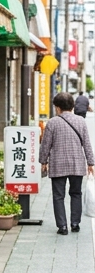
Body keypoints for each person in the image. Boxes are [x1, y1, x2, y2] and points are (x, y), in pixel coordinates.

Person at [39, 92, 95, 235]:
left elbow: (45, 145)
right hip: (77, 163)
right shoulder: (80, 121)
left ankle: (62, 226)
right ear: (72, 106)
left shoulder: (52, 122)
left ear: (57, 108)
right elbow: (87, 144)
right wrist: (91, 163)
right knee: (76, 193)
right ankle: (75, 223)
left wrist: (43, 161)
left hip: (58, 164)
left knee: (58, 196)